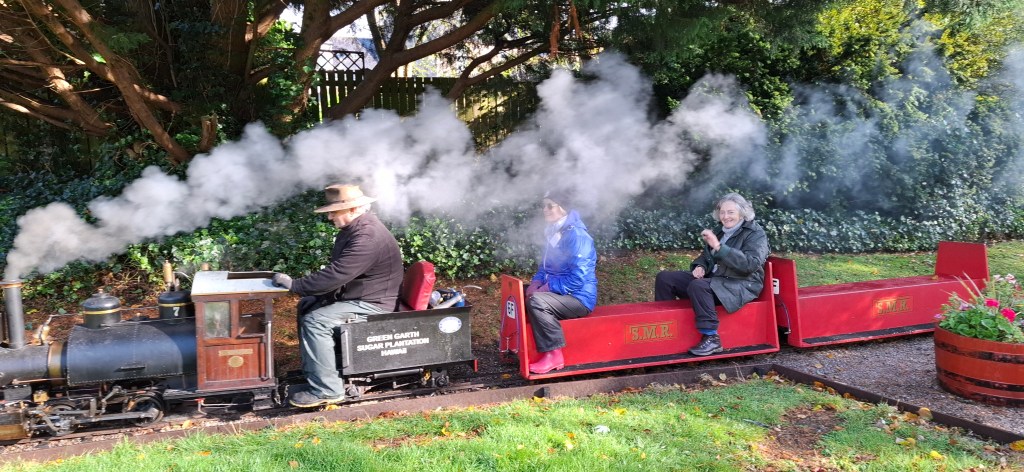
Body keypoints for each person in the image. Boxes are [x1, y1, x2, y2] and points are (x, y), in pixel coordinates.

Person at [271, 184, 403, 407]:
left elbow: (337, 274)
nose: (330, 217)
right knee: (307, 304)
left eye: (334, 211)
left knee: (316, 321)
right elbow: (341, 274)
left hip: (374, 303)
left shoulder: (367, 237)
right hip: (358, 296)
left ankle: (327, 390)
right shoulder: (354, 229)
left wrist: (295, 285)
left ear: (353, 209)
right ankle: (317, 370)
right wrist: (310, 292)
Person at [653, 193, 769, 356]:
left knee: (699, 286)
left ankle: (711, 338)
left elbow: (750, 264)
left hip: (741, 284)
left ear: (742, 213)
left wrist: (720, 248)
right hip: (716, 280)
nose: (725, 217)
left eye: (730, 212)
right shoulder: (720, 231)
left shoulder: (755, 233)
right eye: (722, 212)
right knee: (665, 278)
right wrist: (700, 266)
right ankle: (665, 328)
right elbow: (705, 256)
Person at [524, 190, 598, 374]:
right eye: (543, 206)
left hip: (578, 297)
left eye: (550, 206)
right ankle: (526, 346)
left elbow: (577, 278)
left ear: (563, 208)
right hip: (561, 292)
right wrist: (535, 283)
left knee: (537, 302)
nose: (545, 210)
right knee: (523, 292)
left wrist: (547, 288)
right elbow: (545, 266)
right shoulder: (554, 231)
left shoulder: (577, 236)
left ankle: (554, 355)